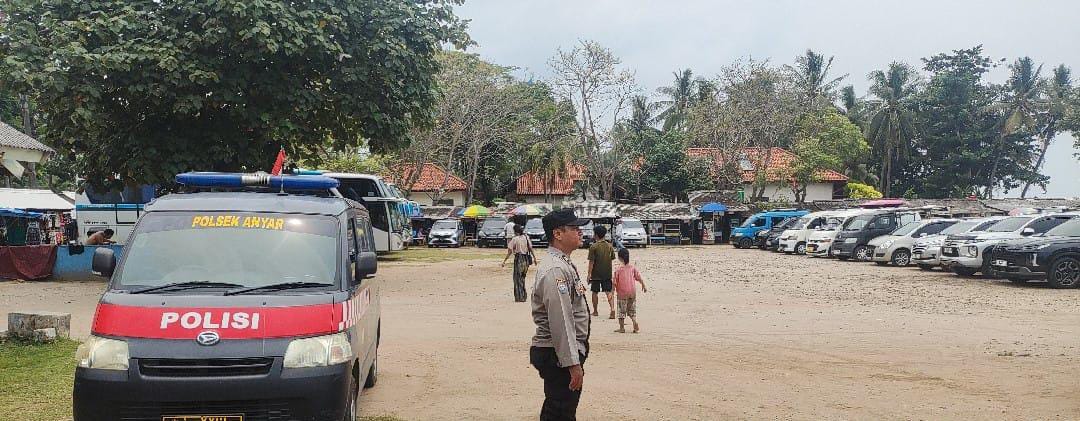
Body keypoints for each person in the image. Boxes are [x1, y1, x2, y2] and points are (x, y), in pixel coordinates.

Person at [530, 208, 591, 421]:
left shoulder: (562, 263)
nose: (580, 232)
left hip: (561, 352)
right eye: (574, 228)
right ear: (558, 234)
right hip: (557, 353)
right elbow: (561, 320)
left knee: (559, 409)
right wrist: (572, 363)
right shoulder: (555, 269)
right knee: (560, 411)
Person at [612, 247, 647, 333]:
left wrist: (612, 293)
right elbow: (638, 277)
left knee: (621, 311)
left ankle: (622, 328)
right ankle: (634, 322)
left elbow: (614, 282)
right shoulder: (632, 268)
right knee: (631, 310)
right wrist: (643, 285)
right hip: (632, 292)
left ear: (619, 258)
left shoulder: (618, 270)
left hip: (622, 293)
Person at [586, 225, 616, 319]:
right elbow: (612, 258)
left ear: (596, 235)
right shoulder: (609, 246)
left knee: (595, 292)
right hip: (607, 273)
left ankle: (595, 311)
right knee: (608, 291)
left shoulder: (593, 247)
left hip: (596, 274)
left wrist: (589, 274)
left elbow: (591, 262)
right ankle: (612, 309)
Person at [502, 224, 536, 302]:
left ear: (515, 231)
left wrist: (505, 261)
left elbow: (510, 251)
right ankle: (524, 296)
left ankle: (519, 297)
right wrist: (534, 258)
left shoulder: (515, 239)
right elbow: (530, 248)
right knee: (522, 278)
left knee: (517, 278)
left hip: (519, 259)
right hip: (526, 259)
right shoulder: (526, 237)